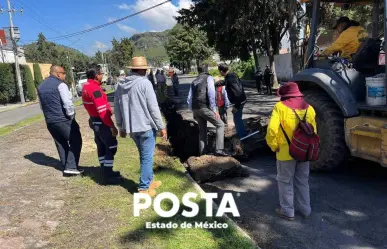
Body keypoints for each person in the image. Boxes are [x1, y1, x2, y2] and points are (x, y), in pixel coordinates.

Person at [114, 56, 167, 197]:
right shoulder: (145, 83)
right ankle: (144, 188)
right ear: (142, 70)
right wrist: (162, 126)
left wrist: (121, 126)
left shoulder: (120, 84)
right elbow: (153, 107)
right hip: (145, 126)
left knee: (144, 155)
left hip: (131, 128)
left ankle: (149, 181)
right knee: (147, 157)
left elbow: (117, 108)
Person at [265, 82, 316, 221]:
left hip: (285, 152)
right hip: (304, 153)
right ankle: (306, 209)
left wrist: (273, 145)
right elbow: (314, 132)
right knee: (303, 181)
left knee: (285, 181)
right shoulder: (309, 108)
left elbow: (271, 130)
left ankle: (287, 212)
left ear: (285, 95)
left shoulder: (280, 107)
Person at [37, 65, 83, 176]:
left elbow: (41, 106)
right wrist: (71, 115)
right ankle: (71, 166)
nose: (65, 75)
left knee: (61, 143)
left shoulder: (41, 86)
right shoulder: (61, 85)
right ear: (58, 73)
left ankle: (66, 165)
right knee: (76, 140)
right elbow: (67, 102)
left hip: (50, 120)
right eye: (63, 73)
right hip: (63, 119)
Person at [82, 65, 121, 185]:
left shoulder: (86, 86)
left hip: (94, 121)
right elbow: (102, 111)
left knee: (101, 146)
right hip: (101, 121)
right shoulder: (95, 89)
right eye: (101, 73)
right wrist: (111, 126)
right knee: (111, 146)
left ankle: (105, 170)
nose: (103, 75)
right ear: (97, 75)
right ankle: (108, 175)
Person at [188, 65, 229, 157]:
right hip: (204, 107)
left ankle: (202, 152)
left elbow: (189, 98)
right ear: (206, 70)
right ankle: (219, 149)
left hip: (195, 108)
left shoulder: (194, 81)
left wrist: (193, 111)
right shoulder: (208, 78)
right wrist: (215, 110)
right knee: (220, 124)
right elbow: (211, 94)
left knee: (202, 130)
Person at [217, 63, 247, 138]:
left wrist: (236, 106)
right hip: (240, 100)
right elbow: (226, 82)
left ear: (221, 71)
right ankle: (242, 133)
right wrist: (218, 83)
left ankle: (243, 137)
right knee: (237, 118)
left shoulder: (230, 78)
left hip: (239, 101)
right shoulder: (229, 75)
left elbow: (238, 92)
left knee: (237, 119)